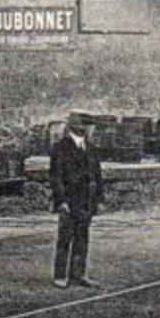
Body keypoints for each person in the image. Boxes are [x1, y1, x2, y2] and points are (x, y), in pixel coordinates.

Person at [49, 119, 103, 288]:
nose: (90, 129)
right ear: (77, 127)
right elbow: (56, 177)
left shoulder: (91, 149)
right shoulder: (60, 148)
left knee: (82, 238)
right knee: (65, 238)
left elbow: (97, 176)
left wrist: (98, 199)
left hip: (87, 201)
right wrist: (61, 201)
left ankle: (78, 274)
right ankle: (60, 275)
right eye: (87, 125)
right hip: (69, 201)